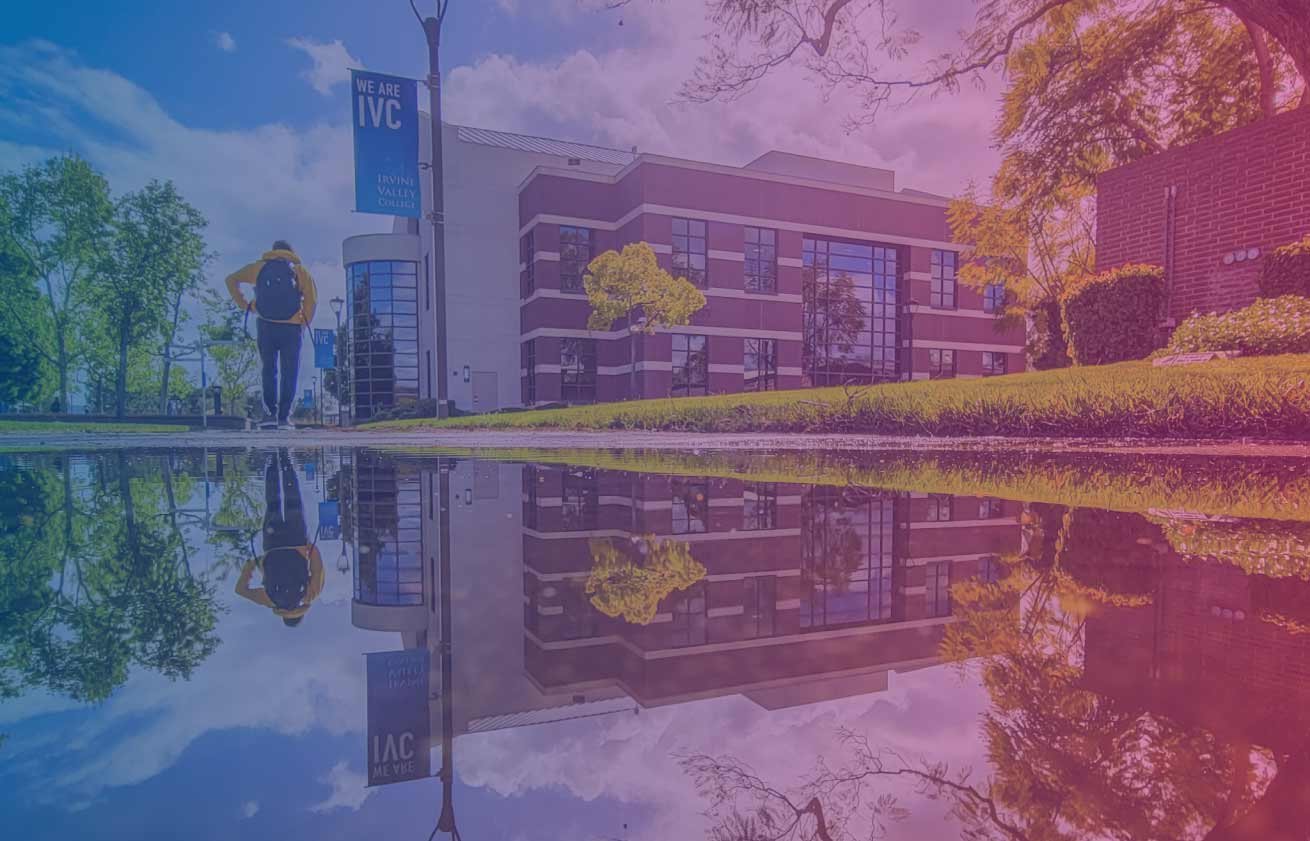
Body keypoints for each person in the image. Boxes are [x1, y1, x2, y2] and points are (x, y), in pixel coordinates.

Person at [225, 240, 317, 430]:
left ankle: (269, 415)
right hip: (291, 327)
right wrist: (303, 320)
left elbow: (231, 279)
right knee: (289, 372)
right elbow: (311, 299)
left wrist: (246, 305)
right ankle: (284, 418)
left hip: (266, 325)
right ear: (291, 252)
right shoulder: (300, 271)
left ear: (273, 251)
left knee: (269, 369)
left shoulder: (259, 268)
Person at [236, 448, 324, 626]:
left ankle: (285, 461)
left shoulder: (310, 595)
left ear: (301, 614)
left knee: (293, 501)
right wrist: (252, 565)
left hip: (295, 540)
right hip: (272, 543)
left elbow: (317, 570)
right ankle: (272, 463)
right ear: (282, 615)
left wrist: (310, 548)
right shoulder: (268, 600)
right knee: (273, 503)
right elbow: (240, 590)